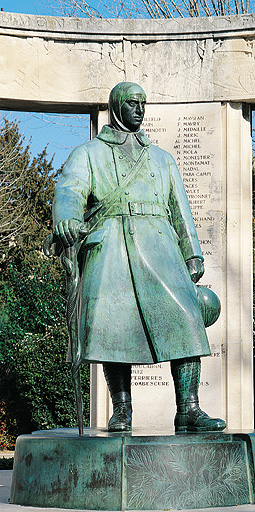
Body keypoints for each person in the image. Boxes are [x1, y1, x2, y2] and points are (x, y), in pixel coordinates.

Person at [53, 82, 226, 433]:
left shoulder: (162, 158)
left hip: (161, 247)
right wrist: (67, 218)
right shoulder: (89, 153)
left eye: (143, 104)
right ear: (117, 105)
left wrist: (192, 252)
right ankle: (122, 409)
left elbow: (180, 209)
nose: (139, 110)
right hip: (112, 246)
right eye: (132, 103)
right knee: (113, 328)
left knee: (186, 318)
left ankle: (189, 409)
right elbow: (69, 190)